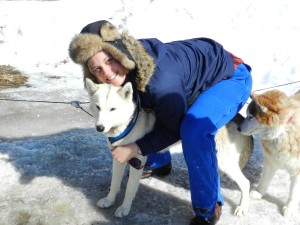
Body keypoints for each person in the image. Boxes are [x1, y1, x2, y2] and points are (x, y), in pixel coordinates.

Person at [69, 20, 252, 225]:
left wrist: (137, 146)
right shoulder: (127, 65)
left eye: (109, 60)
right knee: (150, 110)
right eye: (97, 69)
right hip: (196, 74)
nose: (106, 72)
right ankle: (159, 163)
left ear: (119, 51)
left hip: (231, 76)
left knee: (194, 129)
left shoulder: (160, 83)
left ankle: (208, 207)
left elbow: (175, 129)